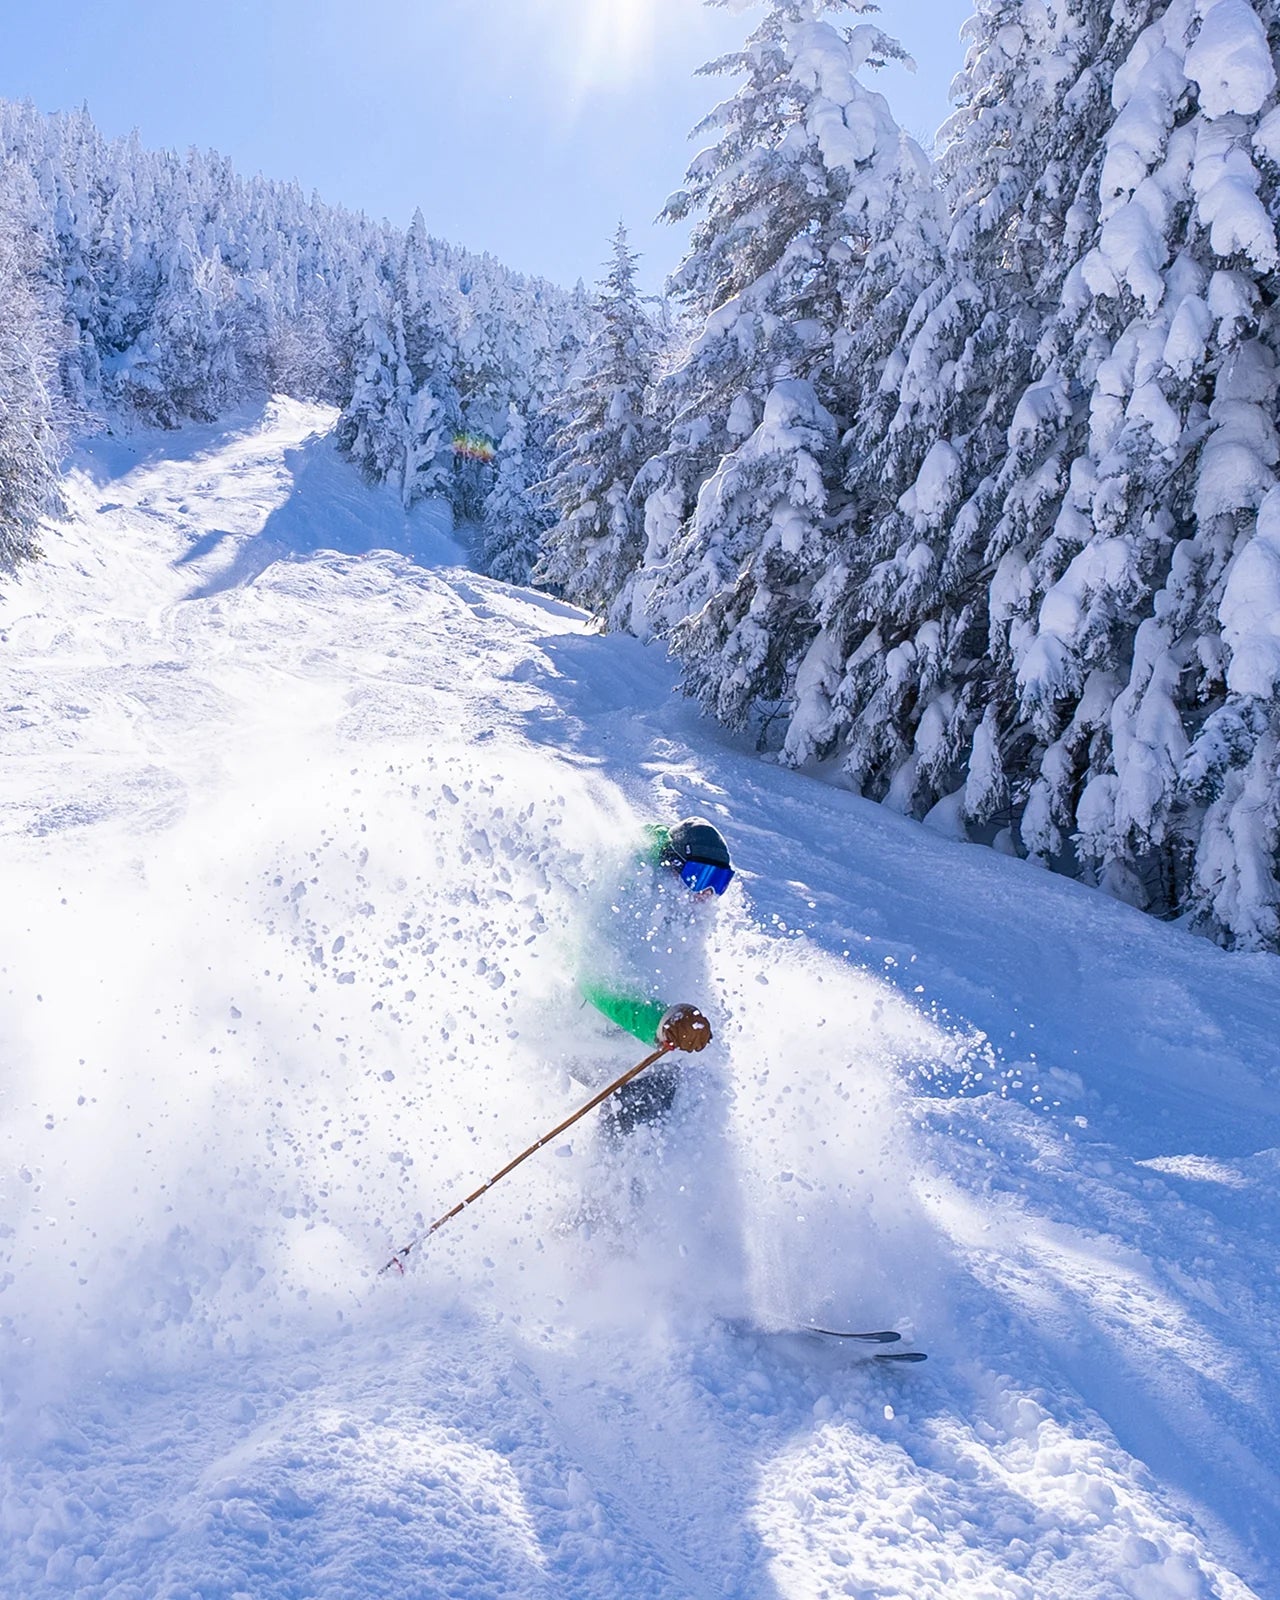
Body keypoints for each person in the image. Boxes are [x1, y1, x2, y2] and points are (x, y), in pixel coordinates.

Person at [576, 816, 735, 1134]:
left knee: (696, 1082)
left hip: (628, 1025)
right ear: (671, 865)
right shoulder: (626, 897)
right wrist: (660, 1023)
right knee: (648, 1089)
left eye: (719, 881)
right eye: (699, 876)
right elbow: (593, 983)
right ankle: (617, 1179)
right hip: (577, 1022)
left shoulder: (681, 906)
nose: (706, 892)